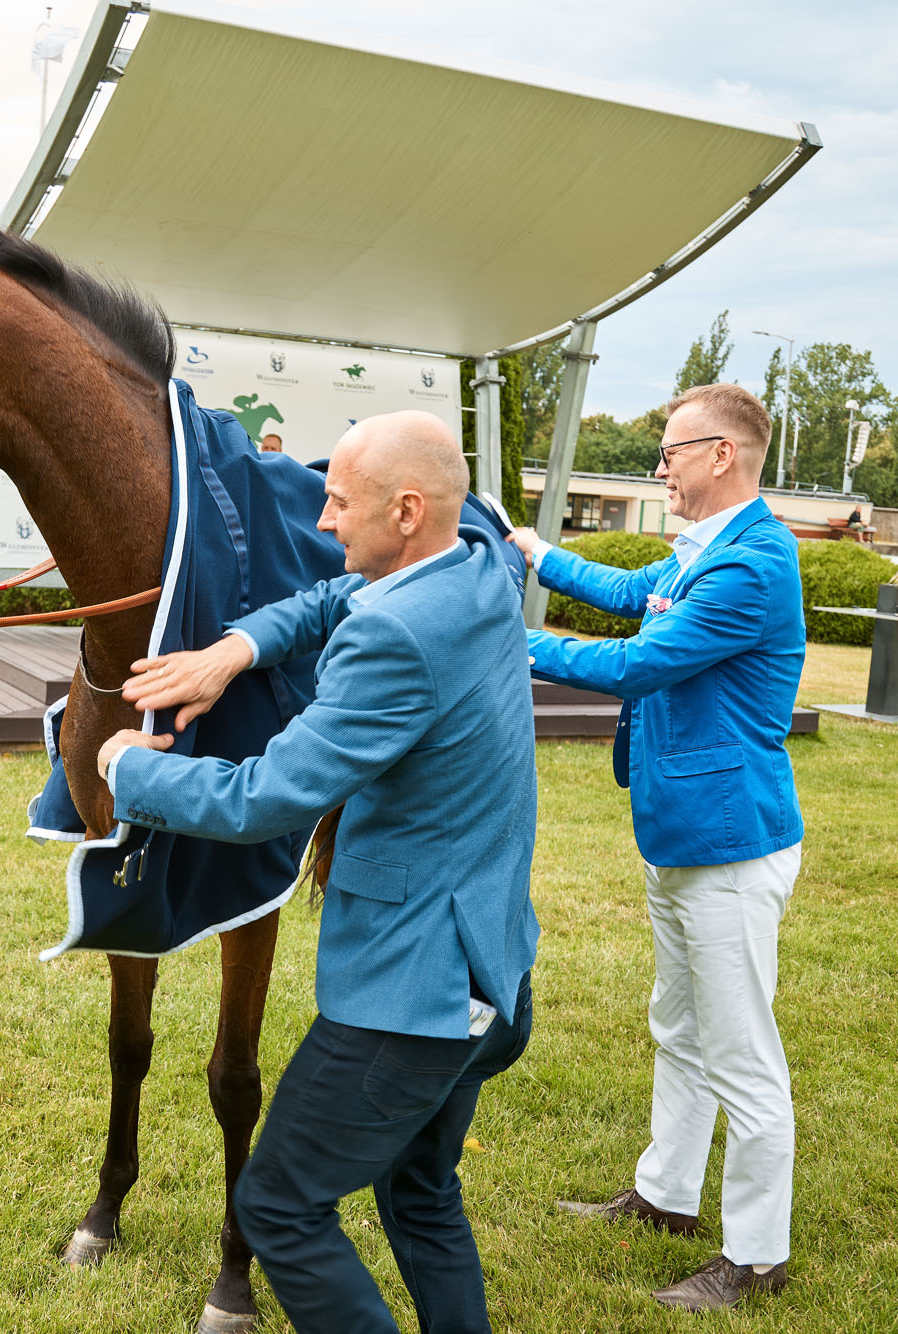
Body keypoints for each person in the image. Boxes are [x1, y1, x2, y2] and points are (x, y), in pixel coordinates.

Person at [100, 410, 539, 1334]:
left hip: (410, 999)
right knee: (421, 1195)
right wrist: (236, 649)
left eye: (340, 501)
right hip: (493, 971)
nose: (323, 522)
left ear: (408, 511)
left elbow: (267, 799)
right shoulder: (478, 572)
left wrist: (126, 770)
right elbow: (327, 600)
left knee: (278, 1210)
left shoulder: (396, 641)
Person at [506, 382, 803, 1313]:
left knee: (741, 1051)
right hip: (682, 835)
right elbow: (635, 595)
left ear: (723, 455)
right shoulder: (704, 550)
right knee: (678, 1027)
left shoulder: (753, 565)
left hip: (728, 844)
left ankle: (756, 1257)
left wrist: (512, 644)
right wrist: (540, 554)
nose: (660, 467)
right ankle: (668, 1199)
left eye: (671, 451)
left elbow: (640, 661)